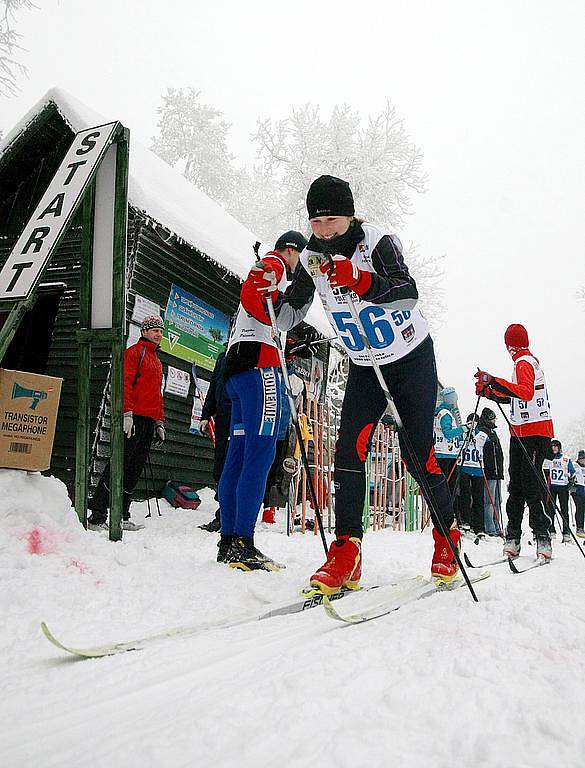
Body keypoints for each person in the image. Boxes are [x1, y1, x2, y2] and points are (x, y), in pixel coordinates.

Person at [253, 174, 460, 592]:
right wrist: (267, 297)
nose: (324, 230)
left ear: (349, 215)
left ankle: (447, 536)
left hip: (410, 360)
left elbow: (407, 293)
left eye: (332, 220)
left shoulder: (377, 243)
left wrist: (360, 280)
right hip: (365, 364)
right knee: (348, 451)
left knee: (418, 456)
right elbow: (294, 310)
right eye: (317, 222)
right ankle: (347, 550)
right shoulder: (312, 257)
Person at [217, 230, 308, 570]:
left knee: (238, 456)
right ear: (291, 250)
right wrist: (270, 312)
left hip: (237, 368)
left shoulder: (274, 269)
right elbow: (254, 291)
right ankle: (243, 541)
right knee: (261, 453)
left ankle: (229, 540)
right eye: (299, 257)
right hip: (260, 368)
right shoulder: (276, 264)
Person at [475, 323, 553, 560]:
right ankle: (513, 536)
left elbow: (526, 392)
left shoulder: (524, 362)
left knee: (530, 483)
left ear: (509, 345)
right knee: (516, 485)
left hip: (535, 432)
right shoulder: (523, 363)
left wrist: (494, 380)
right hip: (520, 432)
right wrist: (490, 392)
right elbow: (517, 397)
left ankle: (542, 536)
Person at [88, 315, 166, 531]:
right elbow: (123, 384)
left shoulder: (157, 361)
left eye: (160, 330)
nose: (158, 333)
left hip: (149, 421)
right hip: (133, 419)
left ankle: (121, 513)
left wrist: (159, 422)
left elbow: (157, 395)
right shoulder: (134, 353)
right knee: (118, 465)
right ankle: (97, 515)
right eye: (153, 330)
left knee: (133, 469)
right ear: (143, 332)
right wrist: (126, 414)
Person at [198, 349, 231, 533]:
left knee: (230, 467)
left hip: (238, 418)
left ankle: (225, 517)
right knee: (220, 467)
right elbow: (214, 384)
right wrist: (206, 414)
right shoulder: (223, 355)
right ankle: (223, 513)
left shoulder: (244, 351)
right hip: (222, 418)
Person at [433, 387, 464, 524]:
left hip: (446, 453)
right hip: (446, 454)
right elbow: (448, 433)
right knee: (449, 488)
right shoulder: (445, 414)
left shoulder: (441, 412)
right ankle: (448, 518)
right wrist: (463, 429)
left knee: (447, 487)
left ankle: (447, 517)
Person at [458, 413, 488, 538]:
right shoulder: (462, 433)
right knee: (465, 495)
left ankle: (479, 526)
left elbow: (490, 447)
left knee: (478, 498)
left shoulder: (482, 435)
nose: (472, 425)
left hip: (478, 469)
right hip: (464, 467)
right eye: (470, 422)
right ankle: (465, 521)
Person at [476, 407, 504, 537]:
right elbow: (480, 450)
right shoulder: (483, 433)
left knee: (498, 500)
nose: (494, 421)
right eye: (492, 418)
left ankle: (497, 526)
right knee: (489, 501)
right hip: (489, 471)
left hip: (497, 472)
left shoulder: (493, 432)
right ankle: (490, 528)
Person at [543, 439, 575, 543]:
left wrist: (571, 481)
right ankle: (551, 530)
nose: (554, 448)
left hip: (563, 487)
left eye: (556, 446)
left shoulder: (566, 459)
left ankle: (566, 533)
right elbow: (545, 472)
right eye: (552, 446)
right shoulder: (549, 459)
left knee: (564, 510)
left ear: (559, 448)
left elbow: (573, 472)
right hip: (552, 487)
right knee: (550, 509)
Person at [571, 450, 585, 537]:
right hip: (577, 490)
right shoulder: (574, 465)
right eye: (582, 459)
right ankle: (579, 527)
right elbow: (569, 473)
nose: (583, 460)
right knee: (580, 507)